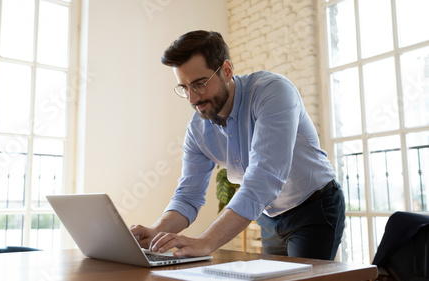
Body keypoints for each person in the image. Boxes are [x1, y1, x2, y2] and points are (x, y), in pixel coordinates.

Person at [130, 30, 345, 260]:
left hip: (314, 207)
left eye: (200, 84)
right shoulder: (198, 129)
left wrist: (206, 242)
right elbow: (188, 196)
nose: (193, 99)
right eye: (184, 88)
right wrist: (156, 231)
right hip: (270, 216)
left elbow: (263, 178)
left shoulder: (273, 92)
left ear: (227, 71)